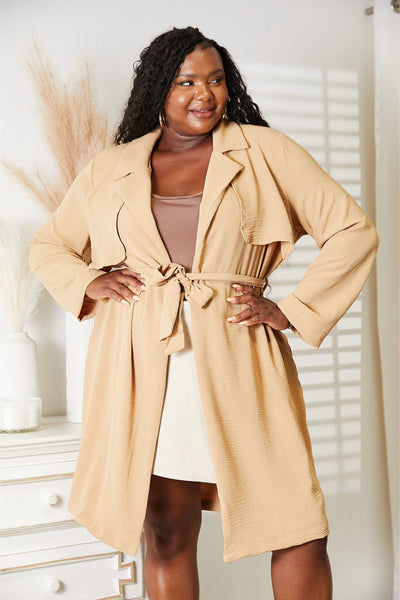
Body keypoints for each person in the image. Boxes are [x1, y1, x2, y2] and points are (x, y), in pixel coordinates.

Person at [29, 26, 379, 600]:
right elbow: (49, 246)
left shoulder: (265, 151)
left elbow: (352, 229)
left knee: (297, 527)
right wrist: (92, 280)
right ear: (158, 90)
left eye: (216, 80)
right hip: (144, 362)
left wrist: (291, 310)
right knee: (166, 531)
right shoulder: (112, 166)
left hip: (240, 352)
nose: (205, 94)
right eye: (186, 82)